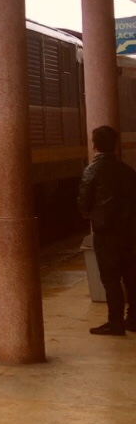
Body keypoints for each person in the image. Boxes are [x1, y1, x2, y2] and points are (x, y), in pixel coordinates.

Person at [78, 124, 136, 335]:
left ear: (94, 145)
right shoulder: (128, 171)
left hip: (105, 233)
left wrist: (89, 212)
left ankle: (115, 322)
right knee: (131, 276)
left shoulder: (92, 171)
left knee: (111, 279)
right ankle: (134, 319)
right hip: (129, 232)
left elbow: (83, 203)